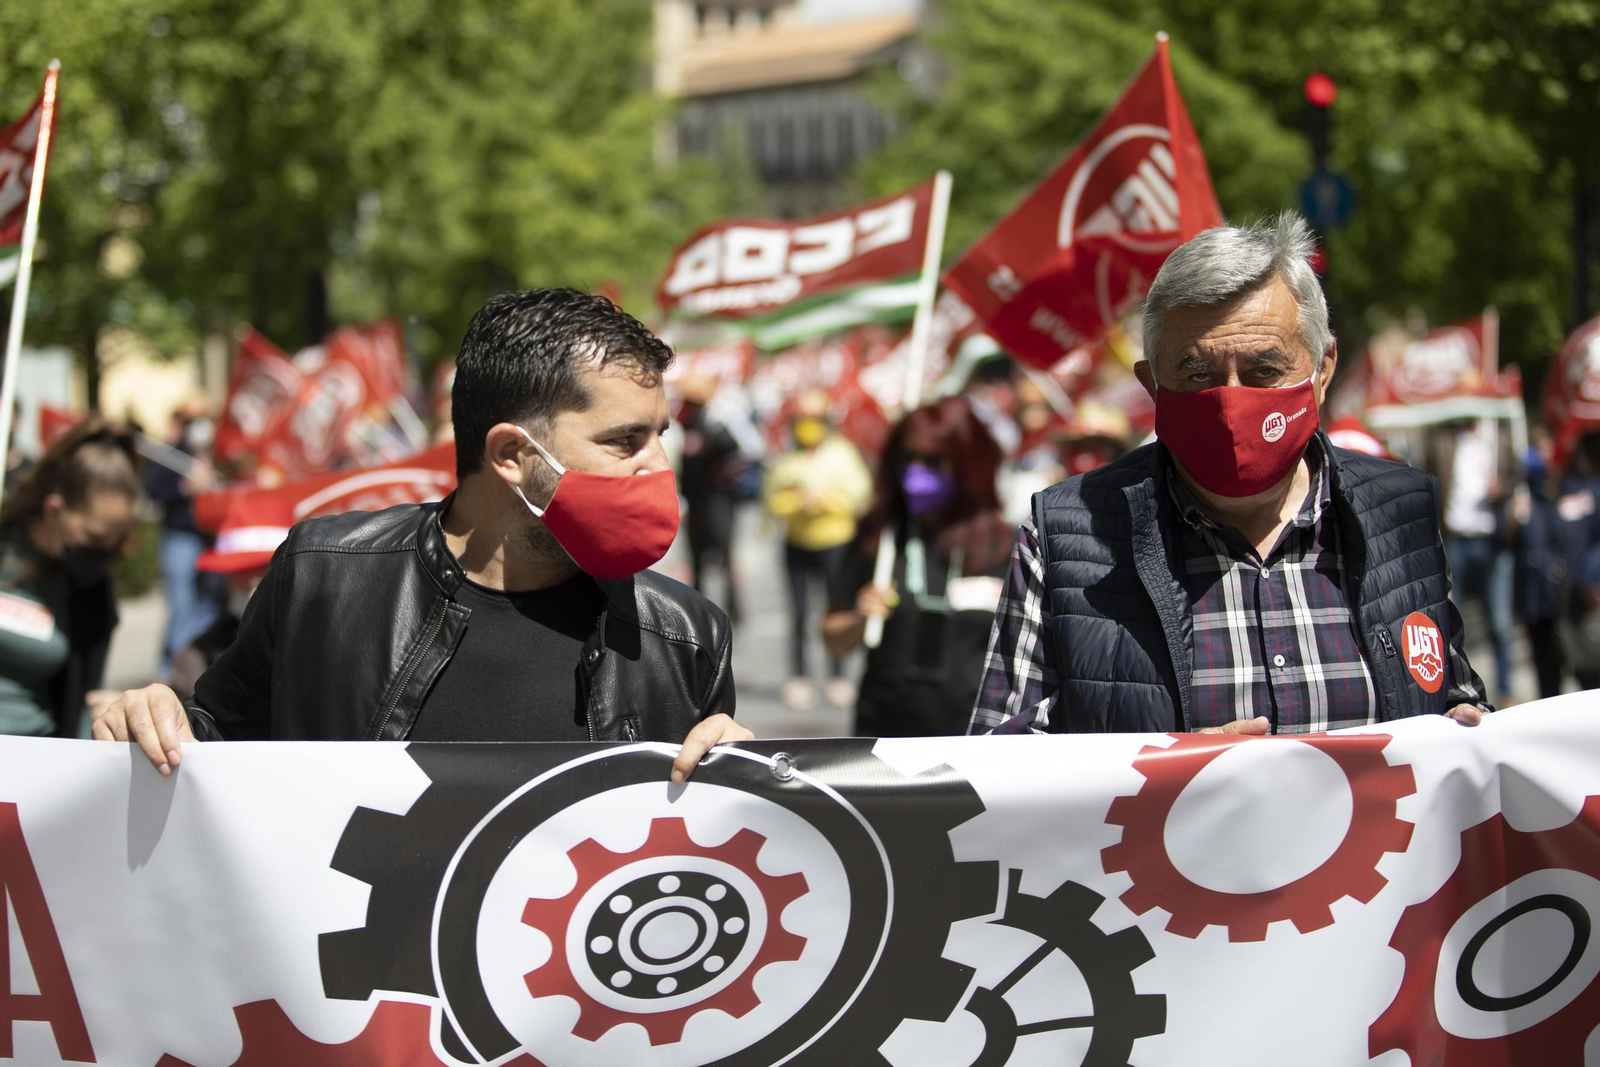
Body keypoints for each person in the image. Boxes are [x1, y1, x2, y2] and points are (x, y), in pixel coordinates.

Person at [94, 289, 751, 783]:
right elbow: (214, 745)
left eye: (660, 434)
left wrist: (747, 783)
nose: (658, 467)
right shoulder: (324, 577)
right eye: (625, 440)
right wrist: (151, 720)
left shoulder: (687, 638)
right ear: (512, 455)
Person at [971, 212, 1492, 735]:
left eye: (1265, 371)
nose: (1230, 401)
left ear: (1322, 371)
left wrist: (1467, 731)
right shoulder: (1067, 535)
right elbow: (1000, 777)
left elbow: (1453, 698)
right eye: (1197, 375)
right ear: (1152, 385)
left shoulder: (1399, 511)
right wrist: (1169, 777)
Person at [823, 397, 1013, 736]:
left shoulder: (1005, 547)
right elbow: (832, 637)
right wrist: (858, 616)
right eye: (907, 459)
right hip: (883, 736)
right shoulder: (880, 537)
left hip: (974, 743)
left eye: (933, 461)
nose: (916, 473)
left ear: (967, 462)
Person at [0, 419, 141, 738]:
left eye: (116, 540)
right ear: (54, 510)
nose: (106, 551)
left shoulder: (90, 590)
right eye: (94, 536)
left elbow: (82, 702)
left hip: (33, 758)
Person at [763, 389, 873, 710]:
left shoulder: (843, 454)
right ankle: (799, 676)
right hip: (797, 543)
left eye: (814, 420)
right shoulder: (787, 458)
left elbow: (859, 495)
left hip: (836, 543)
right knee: (798, 612)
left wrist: (825, 500)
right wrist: (794, 501)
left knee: (836, 608)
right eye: (802, 421)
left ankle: (837, 676)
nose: (808, 427)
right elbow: (771, 498)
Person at [1425, 418, 1520, 702]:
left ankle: (1506, 691)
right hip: (1455, 542)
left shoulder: (1498, 436)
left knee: (1500, 621)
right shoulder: (1442, 437)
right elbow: (1427, 478)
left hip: (1493, 540)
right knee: (1449, 620)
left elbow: (1516, 477)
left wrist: (1501, 488)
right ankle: (1453, 692)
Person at [676, 374, 763, 624]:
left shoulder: (720, 423)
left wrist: (725, 473)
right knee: (696, 559)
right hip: (696, 500)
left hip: (718, 502)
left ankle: (732, 611)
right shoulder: (687, 425)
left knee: (724, 555)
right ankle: (697, 612)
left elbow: (752, 450)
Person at [147, 400, 226, 674]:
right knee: (181, 605)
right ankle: (171, 670)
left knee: (209, 606)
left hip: (212, 540)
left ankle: (199, 668)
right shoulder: (170, 456)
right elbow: (154, 492)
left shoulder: (220, 455)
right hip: (181, 538)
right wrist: (185, 487)